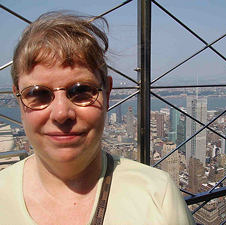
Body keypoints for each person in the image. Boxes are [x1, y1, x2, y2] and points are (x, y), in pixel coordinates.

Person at [0, 11, 195, 225]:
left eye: (82, 90)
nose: (61, 113)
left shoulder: (158, 197)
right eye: (37, 93)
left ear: (108, 93)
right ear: (18, 98)